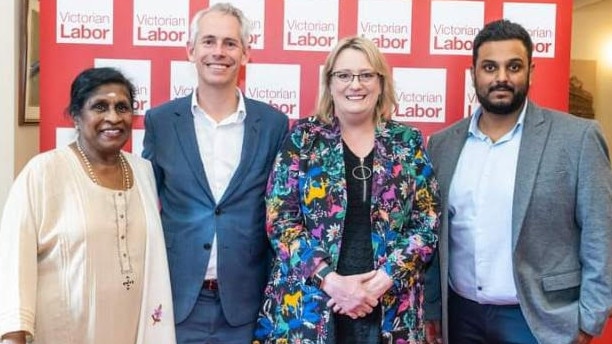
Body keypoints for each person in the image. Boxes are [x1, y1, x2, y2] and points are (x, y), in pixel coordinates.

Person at [424, 19, 612, 344]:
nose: (501, 78)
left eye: (513, 66)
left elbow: (601, 234)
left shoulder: (577, 137)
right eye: (489, 67)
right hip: (461, 317)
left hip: (541, 320)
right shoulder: (442, 145)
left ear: (530, 71)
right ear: (473, 75)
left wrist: (589, 321)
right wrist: (433, 308)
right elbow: (436, 236)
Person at [253, 36, 440, 343]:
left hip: (389, 309)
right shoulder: (303, 139)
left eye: (366, 75)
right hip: (312, 309)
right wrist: (331, 281)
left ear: (380, 83)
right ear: (330, 82)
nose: (356, 85)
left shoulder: (407, 142)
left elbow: (427, 220)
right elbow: (280, 220)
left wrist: (381, 282)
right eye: (344, 75)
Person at [141, 3, 289, 343]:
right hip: (177, 303)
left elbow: (281, 213)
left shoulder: (273, 125)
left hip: (248, 306)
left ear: (246, 53)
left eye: (230, 43)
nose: (218, 52)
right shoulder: (161, 122)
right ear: (191, 51)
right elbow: (146, 207)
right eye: (208, 42)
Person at [0, 67, 176, 344]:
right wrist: (13, 336)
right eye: (100, 107)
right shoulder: (44, 172)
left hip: (130, 330)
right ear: (76, 116)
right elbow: (14, 262)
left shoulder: (143, 172)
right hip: (63, 332)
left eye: (122, 107)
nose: (113, 117)